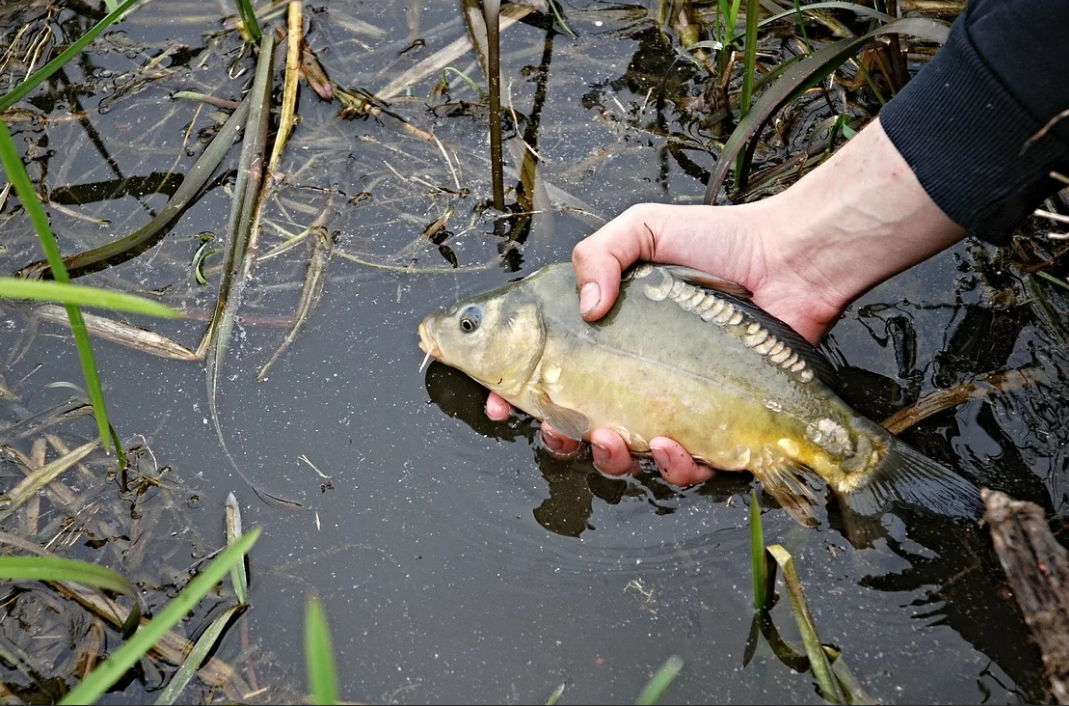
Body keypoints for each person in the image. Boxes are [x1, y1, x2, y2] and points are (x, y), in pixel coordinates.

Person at [486, 0, 1069, 486]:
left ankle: (856, 462)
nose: (456, 332)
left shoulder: (554, 302)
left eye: (472, 324)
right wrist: (791, 248)